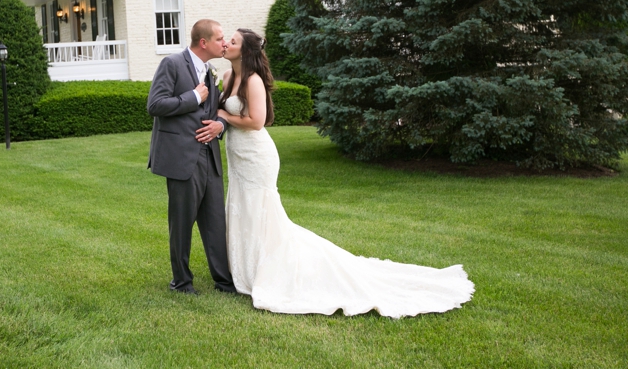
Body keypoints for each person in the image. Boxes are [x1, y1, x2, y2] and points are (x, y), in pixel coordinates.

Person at [217, 28, 475, 317]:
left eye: (233, 41)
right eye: (227, 39)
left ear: (246, 51)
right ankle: (245, 268)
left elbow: (256, 121)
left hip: (257, 157)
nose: (226, 43)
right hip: (238, 158)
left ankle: (267, 269)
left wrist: (223, 116)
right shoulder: (227, 78)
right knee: (243, 207)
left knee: (260, 210)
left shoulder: (252, 80)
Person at [147, 19, 236, 294]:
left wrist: (220, 126)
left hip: (209, 157)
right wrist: (193, 98)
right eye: (220, 39)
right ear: (204, 43)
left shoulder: (210, 72)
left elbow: (216, 112)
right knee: (182, 223)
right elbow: (155, 105)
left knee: (215, 222)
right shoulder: (172, 64)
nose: (224, 43)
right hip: (181, 158)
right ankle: (182, 282)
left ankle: (224, 281)